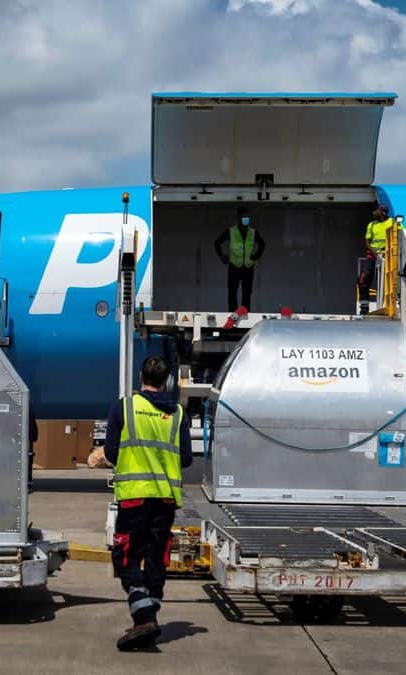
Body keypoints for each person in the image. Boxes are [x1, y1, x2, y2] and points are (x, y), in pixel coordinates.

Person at [102, 356, 192, 651]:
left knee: (125, 557)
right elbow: (187, 458)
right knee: (155, 557)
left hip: (135, 496)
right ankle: (149, 616)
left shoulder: (125, 407)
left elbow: (113, 452)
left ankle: (143, 617)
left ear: (140, 375)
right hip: (166, 498)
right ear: (167, 380)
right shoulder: (178, 413)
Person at [213, 207, 265, 312]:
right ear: (239, 217)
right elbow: (217, 243)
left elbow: (262, 244)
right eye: (244, 216)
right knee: (232, 292)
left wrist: (256, 256)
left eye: (247, 217)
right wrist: (222, 256)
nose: (246, 219)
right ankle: (232, 314)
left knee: (247, 293)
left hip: (248, 267)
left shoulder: (252, 232)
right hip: (234, 266)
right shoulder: (231, 231)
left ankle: (244, 314)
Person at [360, 205, 402, 314]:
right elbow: (367, 242)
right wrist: (375, 252)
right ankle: (364, 306)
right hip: (373, 255)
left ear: (383, 212)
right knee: (363, 278)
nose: (374, 212)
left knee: (393, 280)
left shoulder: (393, 223)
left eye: (376, 210)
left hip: (389, 255)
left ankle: (395, 303)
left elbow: (402, 236)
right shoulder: (371, 224)